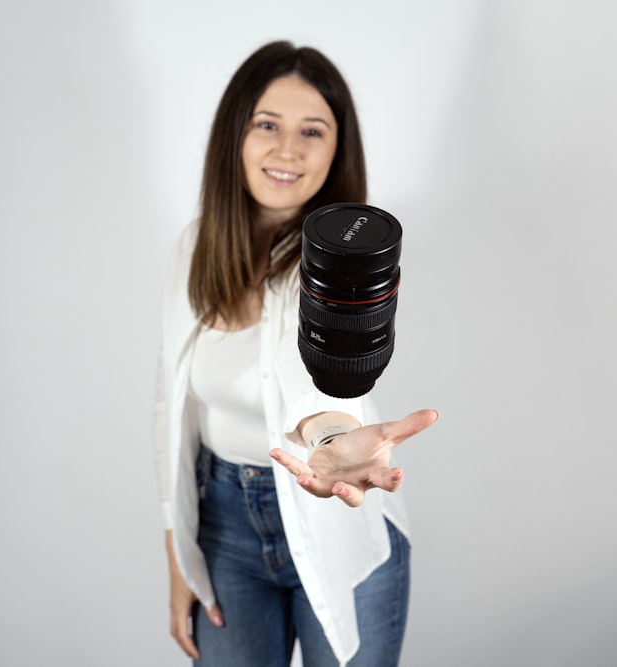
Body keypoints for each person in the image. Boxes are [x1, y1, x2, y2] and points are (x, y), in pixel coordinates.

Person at [153, 40, 439, 667]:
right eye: (266, 125)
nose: (288, 150)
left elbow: (310, 385)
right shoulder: (194, 247)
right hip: (222, 528)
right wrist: (180, 551)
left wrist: (333, 442)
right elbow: (169, 405)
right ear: (236, 135)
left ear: (338, 149)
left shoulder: (336, 268)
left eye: (313, 130)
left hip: (339, 526)